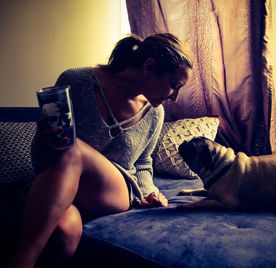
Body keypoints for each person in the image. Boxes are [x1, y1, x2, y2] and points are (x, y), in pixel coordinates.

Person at [8, 32, 193, 268]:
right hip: (64, 189)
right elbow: (43, 156)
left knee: (72, 148)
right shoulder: (75, 81)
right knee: (65, 229)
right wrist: (45, 143)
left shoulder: (155, 114)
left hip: (113, 193)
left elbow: (144, 163)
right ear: (149, 67)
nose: (175, 97)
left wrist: (150, 193)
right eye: (174, 86)